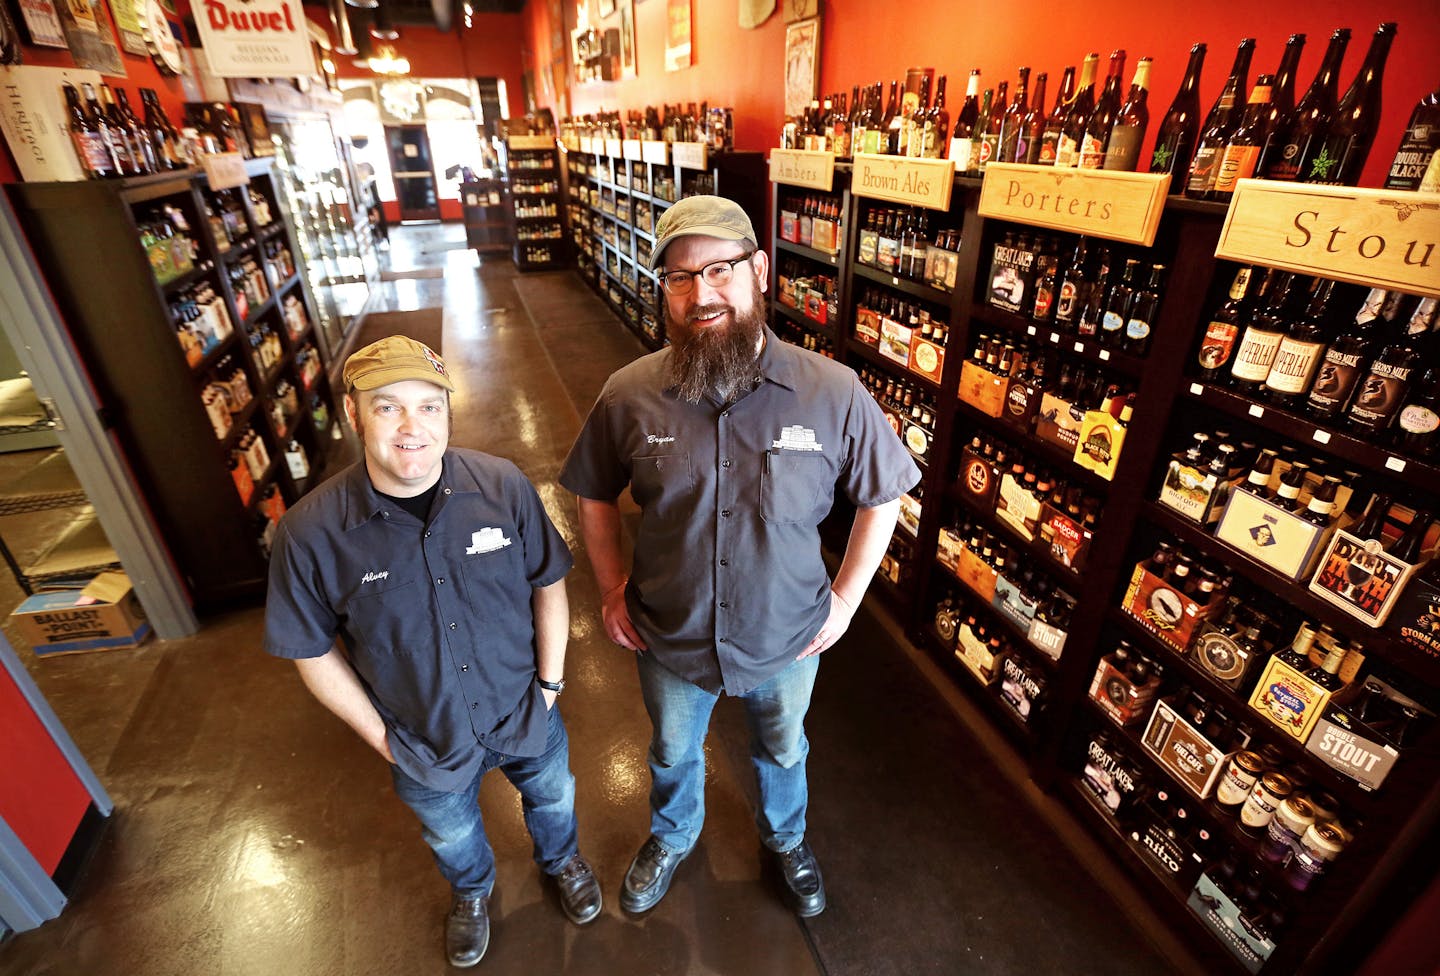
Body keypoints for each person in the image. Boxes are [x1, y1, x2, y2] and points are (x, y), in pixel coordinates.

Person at [559, 196, 921, 918]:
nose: (701, 293)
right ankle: (674, 833)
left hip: (789, 636)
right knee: (670, 752)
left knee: (784, 751)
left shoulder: (831, 392)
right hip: (669, 632)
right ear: (663, 287)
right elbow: (591, 493)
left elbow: (885, 496)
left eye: (720, 269)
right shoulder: (629, 394)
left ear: (759, 271)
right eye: (680, 277)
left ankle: (785, 838)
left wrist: (846, 600)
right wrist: (608, 589)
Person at [263, 336, 601, 969]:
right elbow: (310, 652)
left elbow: (548, 582)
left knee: (554, 796)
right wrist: (384, 741)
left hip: (525, 710)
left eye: (430, 406)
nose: (412, 427)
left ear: (449, 411)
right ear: (352, 414)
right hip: (423, 737)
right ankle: (472, 893)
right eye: (388, 407)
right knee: (450, 831)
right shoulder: (310, 534)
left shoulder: (502, 486)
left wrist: (550, 688)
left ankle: (563, 861)